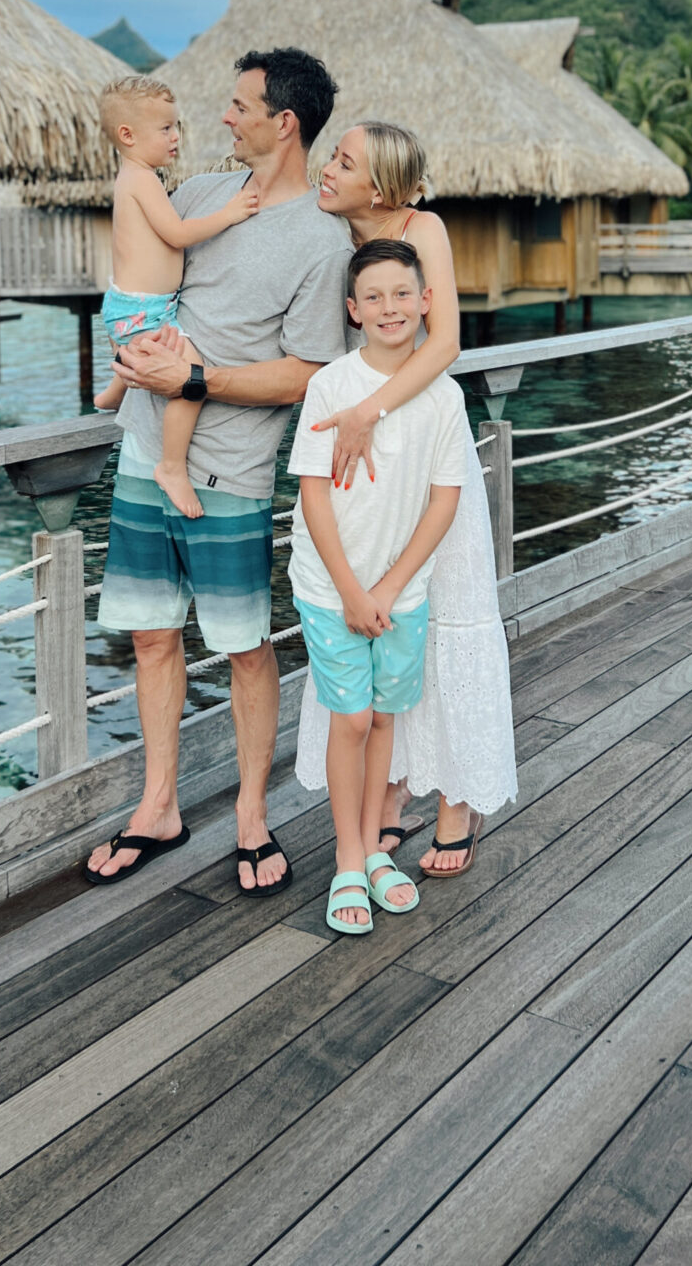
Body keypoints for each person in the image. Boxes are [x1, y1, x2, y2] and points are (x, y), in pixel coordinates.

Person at [84, 50, 352, 895]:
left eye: (240, 106)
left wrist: (196, 378)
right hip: (143, 450)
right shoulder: (197, 195)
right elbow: (143, 281)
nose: (224, 118)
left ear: (285, 122)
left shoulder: (323, 240)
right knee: (151, 635)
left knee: (242, 648)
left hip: (231, 469)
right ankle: (158, 805)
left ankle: (251, 815)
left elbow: (309, 372)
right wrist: (134, 362)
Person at [295, 120, 518, 873]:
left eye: (343, 162)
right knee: (383, 636)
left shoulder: (424, 229)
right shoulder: (333, 236)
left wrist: (370, 410)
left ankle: (458, 799)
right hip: (361, 472)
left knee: (447, 619)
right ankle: (384, 795)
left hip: (420, 447)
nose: (327, 169)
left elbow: (444, 343)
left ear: (382, 185)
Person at [287, 240, 467, 933]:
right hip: (330, 586)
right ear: (353, 309)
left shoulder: (444, 397)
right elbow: (313, 494)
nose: (390, 307)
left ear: (426, 301)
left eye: (402, 293)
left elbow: (444, 501)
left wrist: (389, 589)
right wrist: (353, 592)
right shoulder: (333, 386)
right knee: (353, 719)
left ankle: (371, 852)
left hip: (402, 592)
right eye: (374, 297)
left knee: (386, 717)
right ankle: (345, 858)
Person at [91, 74, 259, 518]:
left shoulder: (134, 177)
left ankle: (114, 392)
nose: (176, 137)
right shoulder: (142, 180)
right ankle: (171, 466)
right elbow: (178, 233)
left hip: (135, 307)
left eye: (176, 127)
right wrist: (230, 213)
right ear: (128, 135)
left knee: (146, 355)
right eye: (165, 128)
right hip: (144, 311)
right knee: (190, 380)